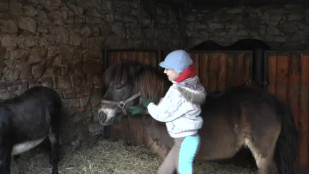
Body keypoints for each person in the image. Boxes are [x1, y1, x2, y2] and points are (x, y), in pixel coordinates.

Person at [145, 50, 206, 174]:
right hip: (184, 141)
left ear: (178, 71)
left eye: (168, 68)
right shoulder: (192, 84)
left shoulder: (177, 91)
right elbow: (176, 105)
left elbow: (162, 114)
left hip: (185, 142)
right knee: (164, 171)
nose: (164, 71)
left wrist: (149, 105)